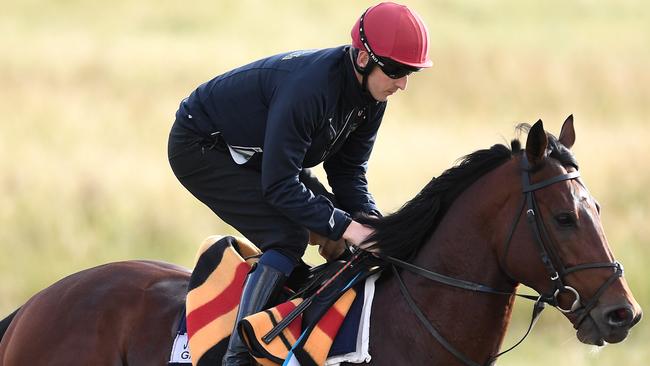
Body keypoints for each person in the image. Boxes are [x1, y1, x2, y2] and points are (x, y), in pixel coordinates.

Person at [167, 2, 432, 365]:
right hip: (202, 146)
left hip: (257, 153)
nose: (402, 84)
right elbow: (279, 186)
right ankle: (238, 354)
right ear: (362, 59)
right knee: (288, 235)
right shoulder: (310, 90)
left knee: (344, 235)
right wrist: (343, 226)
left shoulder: (372, 98)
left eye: (410, 73)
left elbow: (348, 171)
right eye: (396, 71)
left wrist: (369, 224)